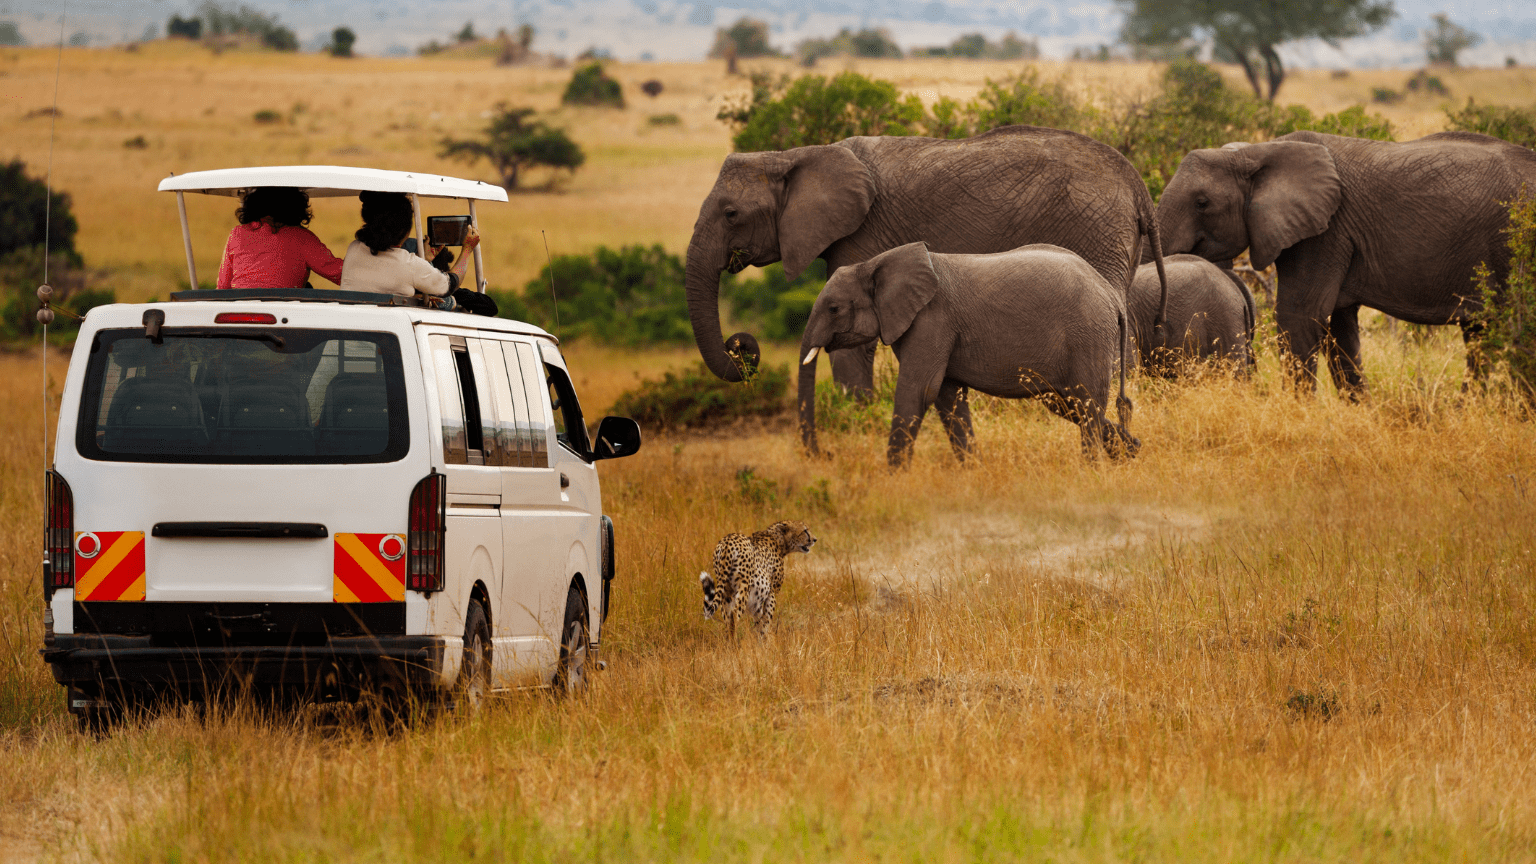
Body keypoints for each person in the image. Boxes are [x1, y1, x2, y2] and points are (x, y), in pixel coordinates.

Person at [339, 191, 480, 297]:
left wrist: (422, 258)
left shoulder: (353, 249)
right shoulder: (410, 265)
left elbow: (390, 271)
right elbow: (451, 284)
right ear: (405, 231)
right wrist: (467, 250)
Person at [216, 187, 345, 290]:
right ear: (296, 205)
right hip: (285, 312)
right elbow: (340, 274)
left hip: (240, 310)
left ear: (254, 203)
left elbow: (223, 287)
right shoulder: (302, 238)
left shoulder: (237, 234)